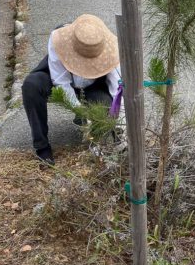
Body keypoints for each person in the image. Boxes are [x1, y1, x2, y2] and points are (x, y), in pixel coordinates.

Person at [22, 14, 122, 165]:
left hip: (93, 87)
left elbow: (118, 92)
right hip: (60, 81)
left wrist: (120, 127)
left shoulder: (112, 52)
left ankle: (97, 145)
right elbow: (61, 81)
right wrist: (79, 110)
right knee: (31, 85)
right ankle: (42, 147)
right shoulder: (59, 39)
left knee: (105, 105)